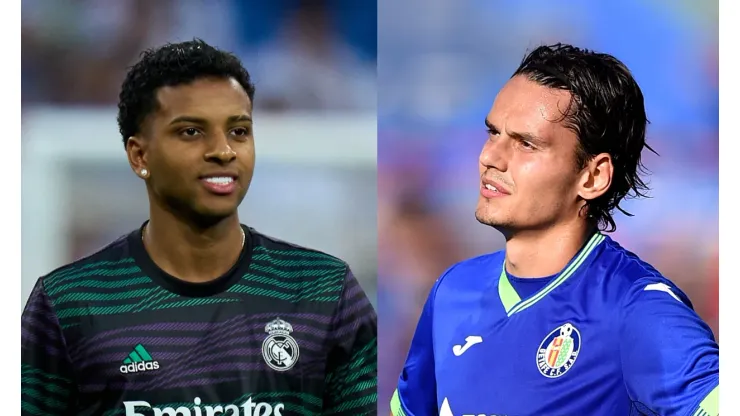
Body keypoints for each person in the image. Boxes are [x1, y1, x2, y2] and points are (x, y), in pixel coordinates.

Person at [21, 39, 377, 416]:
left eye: (239, 131)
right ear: (139, 155)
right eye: (192, 132)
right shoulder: (68, 303)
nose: (223, 150)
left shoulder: (325, 291)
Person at [390, 43, 719, 416]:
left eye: (526, 144)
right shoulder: (453, 290)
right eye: (492, 133)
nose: (490, 157)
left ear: (593, 177)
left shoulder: (636, 308)